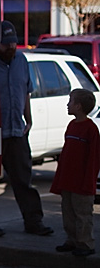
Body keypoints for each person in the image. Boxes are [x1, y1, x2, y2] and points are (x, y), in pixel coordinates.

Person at [0, 20, 53, 237]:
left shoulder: (22, 61)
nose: (10, 47)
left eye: (13, 43)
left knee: (23, 180)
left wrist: (29, 119)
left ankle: (33, 222)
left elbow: (26, 91)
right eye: (6, 43)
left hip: (17, 131)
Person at [50, 89, 99, 257]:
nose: (67, 105)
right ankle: (71, 240)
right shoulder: (71, 126)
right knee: (68, 212)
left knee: (83, 214)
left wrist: (89, 181)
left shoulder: (90, 129)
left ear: (78, 106)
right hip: (68, 180)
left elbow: (93, 158)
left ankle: (85, 243)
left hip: (81, 182)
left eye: (70, 102)